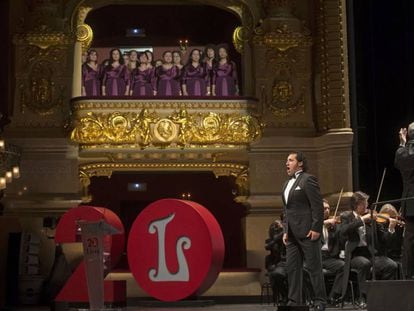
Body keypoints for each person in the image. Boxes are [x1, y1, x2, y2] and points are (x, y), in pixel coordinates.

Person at [282, 151, 326, 310]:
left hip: (308, 232)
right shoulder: (286, 184)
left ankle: (320, 301)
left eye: (290, 160)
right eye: (286, 160)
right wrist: (286, 230)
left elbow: (317, 206)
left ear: (300, 163)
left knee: (314, 268)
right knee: (292, 268)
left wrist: (316, 228)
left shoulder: (308, 180)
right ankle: (294, 302)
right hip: (292, 234)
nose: (287, 163)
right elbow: (286, 210)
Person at [340, 191, 398, 308]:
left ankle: (383, 295)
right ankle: (362, 298)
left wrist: (391, 228)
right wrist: (361, 220)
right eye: (364, 203)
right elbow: (344, 230)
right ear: (356, 205)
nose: (367, 206)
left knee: (391, 265)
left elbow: (384, 240)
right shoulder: (347, 216)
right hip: (354, 255)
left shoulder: (372, 218)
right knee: (364, 264)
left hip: (370, 253)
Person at [395, 122, 414, 279]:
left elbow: (399, 159)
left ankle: (407, 275)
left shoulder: (403, 153)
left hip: (409, 202)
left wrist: (403, 142)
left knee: (409, 240)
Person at [321, 199, 345, 304]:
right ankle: (317, 298)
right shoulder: (312, 223)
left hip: (329, 257)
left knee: (343, 266)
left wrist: (334, 229)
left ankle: (333, 296)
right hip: (316, 257)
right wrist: (323, 224)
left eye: (328, 208)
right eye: (324, 208)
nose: (327, 210)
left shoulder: (334, 225)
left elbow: (341, 240)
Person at [265, 218, 288, 305]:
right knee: (276, 274)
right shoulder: (278, 236)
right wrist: (284, 232)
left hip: (294, 261)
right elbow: (268, 246)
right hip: (282, 262)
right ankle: (284, 295)